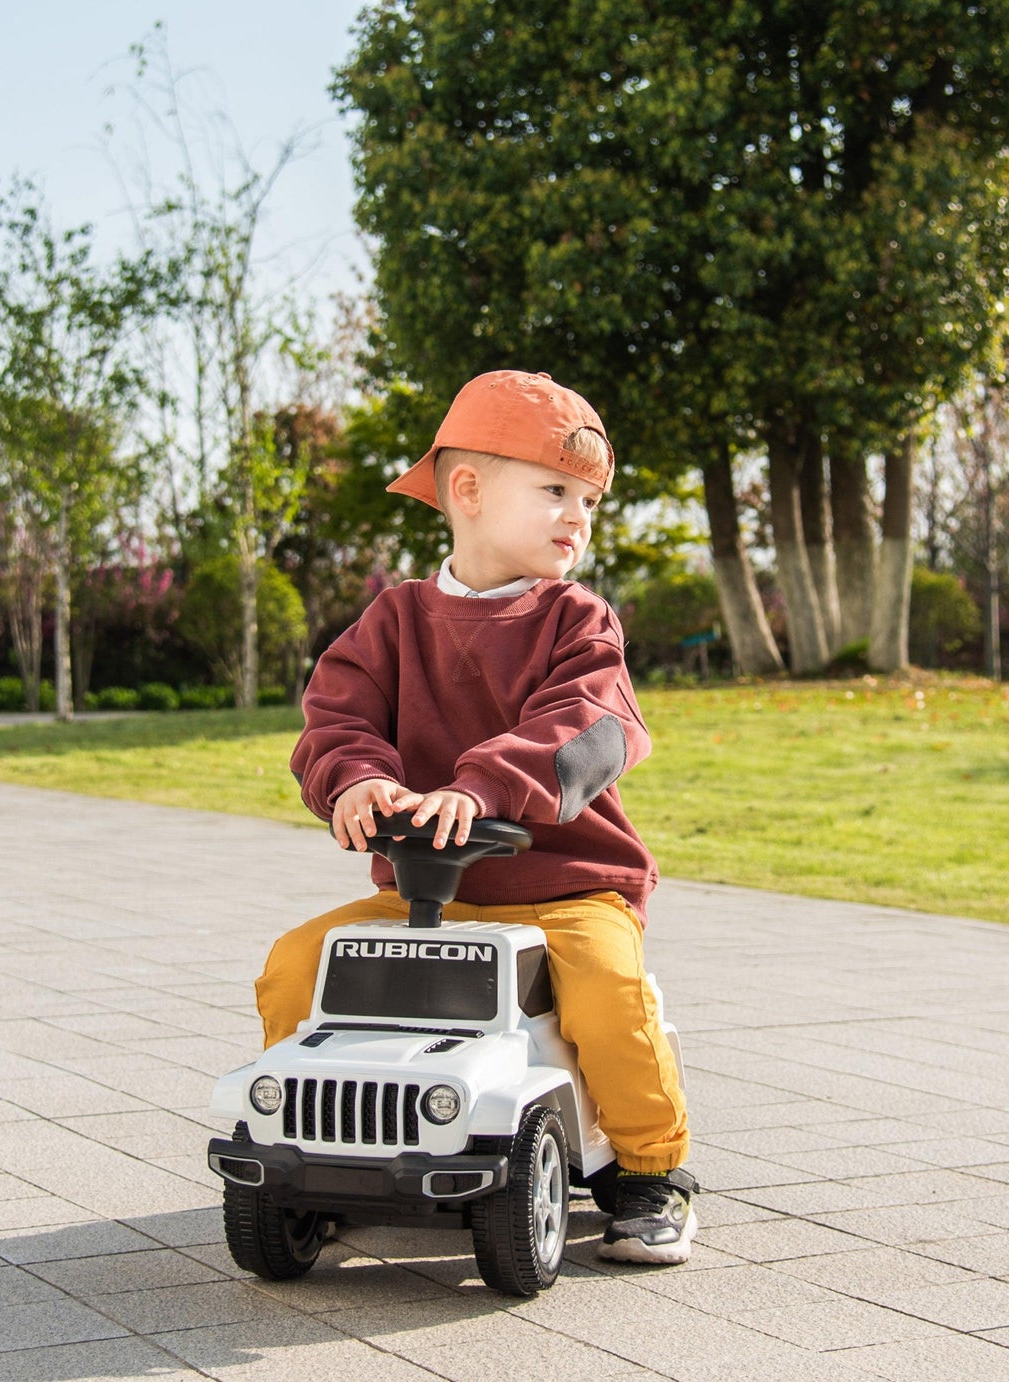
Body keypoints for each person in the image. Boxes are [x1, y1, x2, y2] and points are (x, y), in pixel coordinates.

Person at [255, 369, 695, 1265]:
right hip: (429, 895)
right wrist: (355, 782)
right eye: (555, 491)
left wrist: (480, 785)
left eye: (589, 501)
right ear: (467, 490)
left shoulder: (578, 622)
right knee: (297, 965)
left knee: (607, 994)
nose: (577, 517)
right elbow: (335, 720)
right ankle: (315, 1146)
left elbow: (590, 725)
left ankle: (649, 1171)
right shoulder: (393, 621)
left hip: (566, 887)